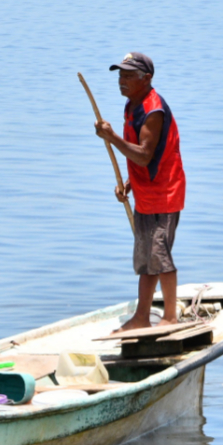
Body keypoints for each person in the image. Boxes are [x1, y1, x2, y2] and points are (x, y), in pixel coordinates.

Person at [94, 52, 187, 330]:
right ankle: (141, 317)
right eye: (120, 75)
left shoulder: (153, 110)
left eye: (128, 75)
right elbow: (145, 156)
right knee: (146, 260)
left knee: (160, 256)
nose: (121, 81)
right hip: (145, 194)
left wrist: (112, 138)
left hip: (164, 194)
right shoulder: (131, 105)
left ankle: (170, 316)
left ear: (147, 79)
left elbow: (146, 155)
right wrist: (128, 184)